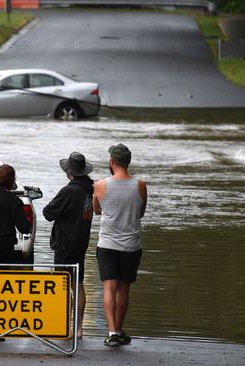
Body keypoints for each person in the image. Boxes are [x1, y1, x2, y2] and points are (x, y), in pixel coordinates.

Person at [93, 143, 147, 347]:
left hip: (107, 244)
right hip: (131, 246)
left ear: (112, 162)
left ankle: (112, 331)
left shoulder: (100, 185)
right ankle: (120, 330)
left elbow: (96, 209)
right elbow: (140, 213)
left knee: (108, 286)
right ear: (128, 162)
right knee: (124, 289)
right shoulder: (141, 185)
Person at [42, 152, 94, 340]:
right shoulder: (89, 189)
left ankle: (62, 325)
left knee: (62, 285)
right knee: (78, 284)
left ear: (69, 172)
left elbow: (48, 212)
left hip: (65, 244)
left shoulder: (69, 190)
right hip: (81, 243)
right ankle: (79, 328)